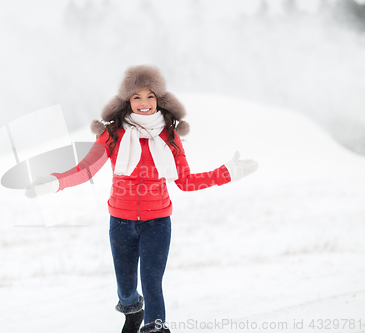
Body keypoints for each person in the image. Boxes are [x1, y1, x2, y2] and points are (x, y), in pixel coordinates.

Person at [26, 65, 258, 333]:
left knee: (152, 282)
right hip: (121, 223)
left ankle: (156, 327)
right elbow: (86, 169)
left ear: (159, 99)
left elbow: (185, 181)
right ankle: (133, 310)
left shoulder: (169, 136)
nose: (144, 103)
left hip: (157, 223)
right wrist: (54, 182)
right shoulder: (113, 134)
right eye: (137, 97)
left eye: (150, 96)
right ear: (127, 101)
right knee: (126, 289)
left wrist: (227, 173)